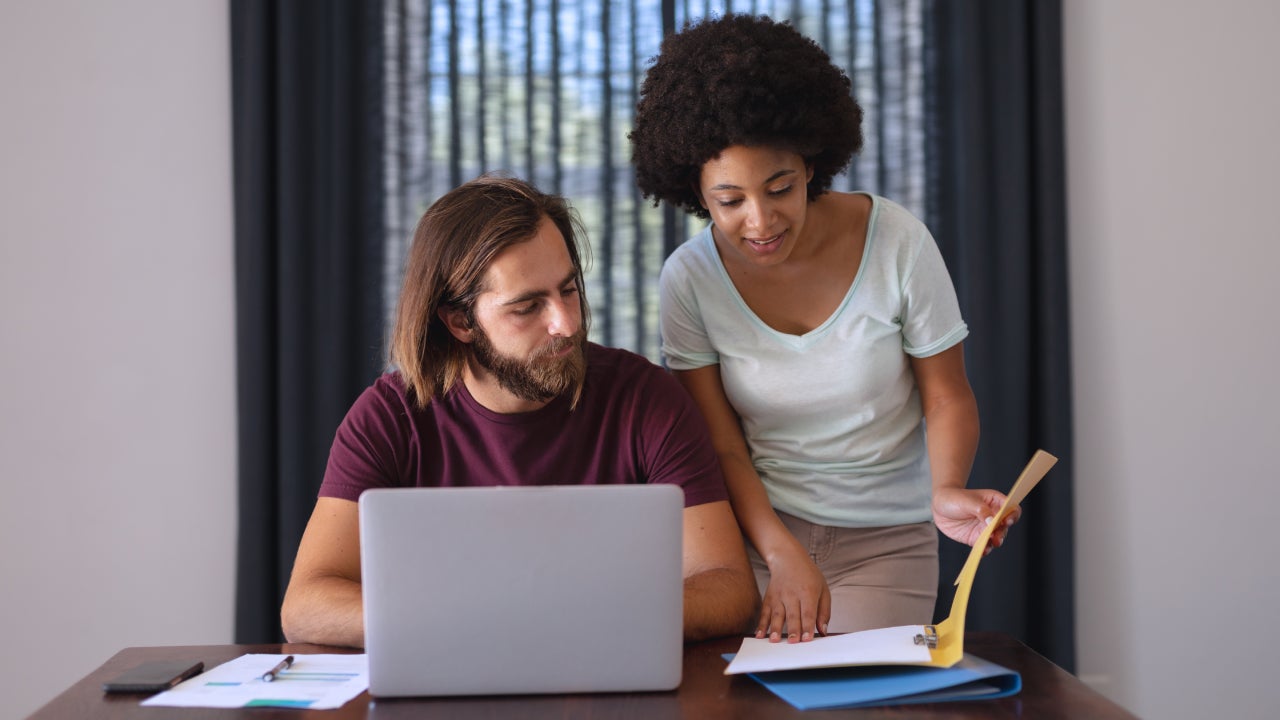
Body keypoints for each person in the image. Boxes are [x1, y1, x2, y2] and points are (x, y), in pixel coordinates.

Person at [629, 14, 1020, 644]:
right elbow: (722, 445)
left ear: (812, 163)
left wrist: (946, 489)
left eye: (779, 187)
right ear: (696, 193)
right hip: (754, 538)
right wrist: (782, 555)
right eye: (730, 201)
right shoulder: (689, 279)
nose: (760, 221)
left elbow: (946, 393)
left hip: (886, 543)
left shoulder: (895, 241)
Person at [280, 174, 759, 648]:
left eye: (568, 289)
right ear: (460, 322)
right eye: (528, 307)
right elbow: (305, 607)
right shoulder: (389, 418)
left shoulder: (646, 398)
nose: (566, 324)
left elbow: (728, 587)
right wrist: (478, 624)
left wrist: (572, 619)